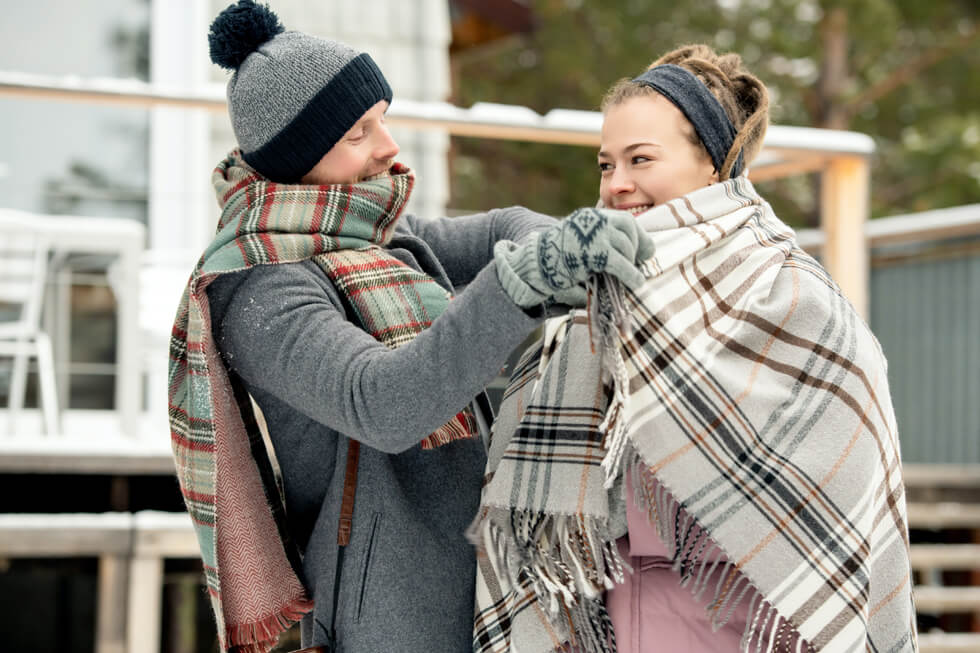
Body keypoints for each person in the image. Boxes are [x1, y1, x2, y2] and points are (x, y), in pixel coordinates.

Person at [167, 2, 653, 653]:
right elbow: (385, 401)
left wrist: (565, 244)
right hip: (393, 612)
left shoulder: (369, 233)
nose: (388, 146)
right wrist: (521, 283)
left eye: (383, 119)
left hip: (481, 570)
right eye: (359, 133)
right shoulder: (261, 289)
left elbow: (499, 227)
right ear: (299, 155)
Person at [471, 44, 916, 652]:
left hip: (747, 626)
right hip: (617, 626)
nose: (617, 184)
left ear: (711, 161)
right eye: (606, 164)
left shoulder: (790, 293)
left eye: (641, 159)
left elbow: (837, 482)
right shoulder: (598, 296)